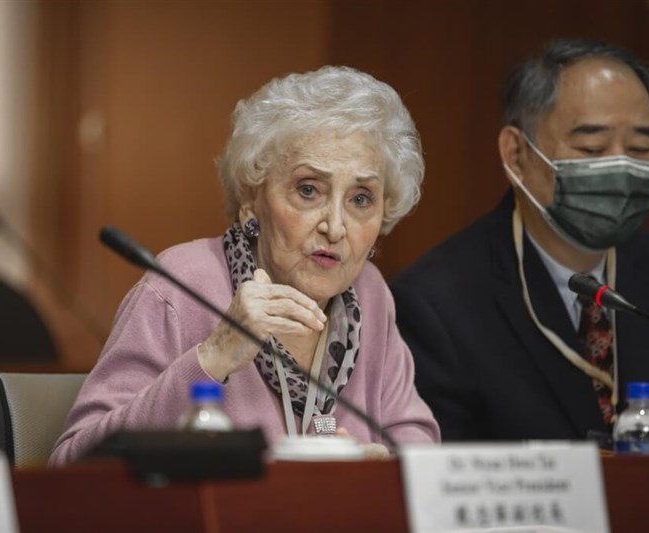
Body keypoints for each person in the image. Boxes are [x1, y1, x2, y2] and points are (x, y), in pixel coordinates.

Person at [49, 66, 440, 466]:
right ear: (252, 199)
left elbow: (416, 440)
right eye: (309, 190)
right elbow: (72, 464)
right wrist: (212, 357)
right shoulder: (181, 285)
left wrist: (389, 466)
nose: (335, 227)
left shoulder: (370, 295)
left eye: (361, 199)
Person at [391, 39, 649, 442]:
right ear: (517, 153)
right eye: (592, 147)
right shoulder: (436, 304)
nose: (621, 167)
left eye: (640, 148)